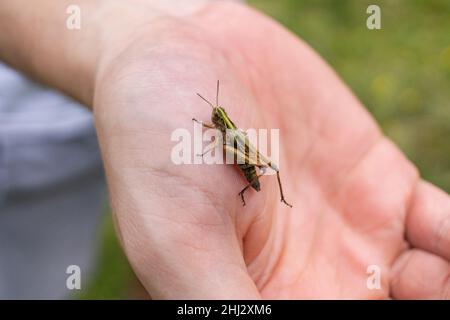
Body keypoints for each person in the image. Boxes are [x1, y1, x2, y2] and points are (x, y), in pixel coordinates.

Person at [0, 0, 448, 299]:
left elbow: (232, 144)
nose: (214, 121)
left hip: (99, 99)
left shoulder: (226, 130)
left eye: (216, 118)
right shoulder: (216, 126)